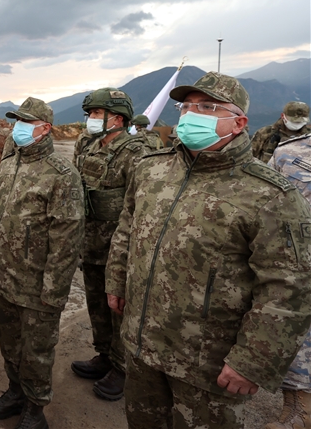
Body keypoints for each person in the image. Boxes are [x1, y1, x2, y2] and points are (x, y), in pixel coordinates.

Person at [105, 72, 311, 429]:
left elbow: (289, 287)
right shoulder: (152, 169)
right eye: (186, 106)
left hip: (208, 365)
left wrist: (253, 360)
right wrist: (116, 281)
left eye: (208, 107)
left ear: (239, 122)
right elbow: (128, 227)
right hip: (142, 345)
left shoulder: (270, 195)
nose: (191, 114)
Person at [0, 97, 84, 428]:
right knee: (9, 340)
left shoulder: (62, 174)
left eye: (26, 122)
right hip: (6, 275)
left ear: (45, 129)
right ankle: (15, 391)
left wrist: (54, 291)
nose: (18, 128)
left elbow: (67, 240)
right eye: (16, 121)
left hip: (38, 283)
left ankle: (36, 407)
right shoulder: (10, 164)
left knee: (37, 350)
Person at [70, 88, 146, 401]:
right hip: (90, 243)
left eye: (96, 114)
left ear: (117, 118)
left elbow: (139, 204)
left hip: (117, 247)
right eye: (89, 114)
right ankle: (104, 354)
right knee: (97, 305)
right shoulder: (88, 145)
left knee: (119, 309)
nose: (90, 119)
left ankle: (122, 366)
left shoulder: (135, 151)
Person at [265, 133, 311, 429]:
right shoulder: (289, 153)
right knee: (297, 338)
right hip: (299, 269)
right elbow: (264, 206)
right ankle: (299, 408)